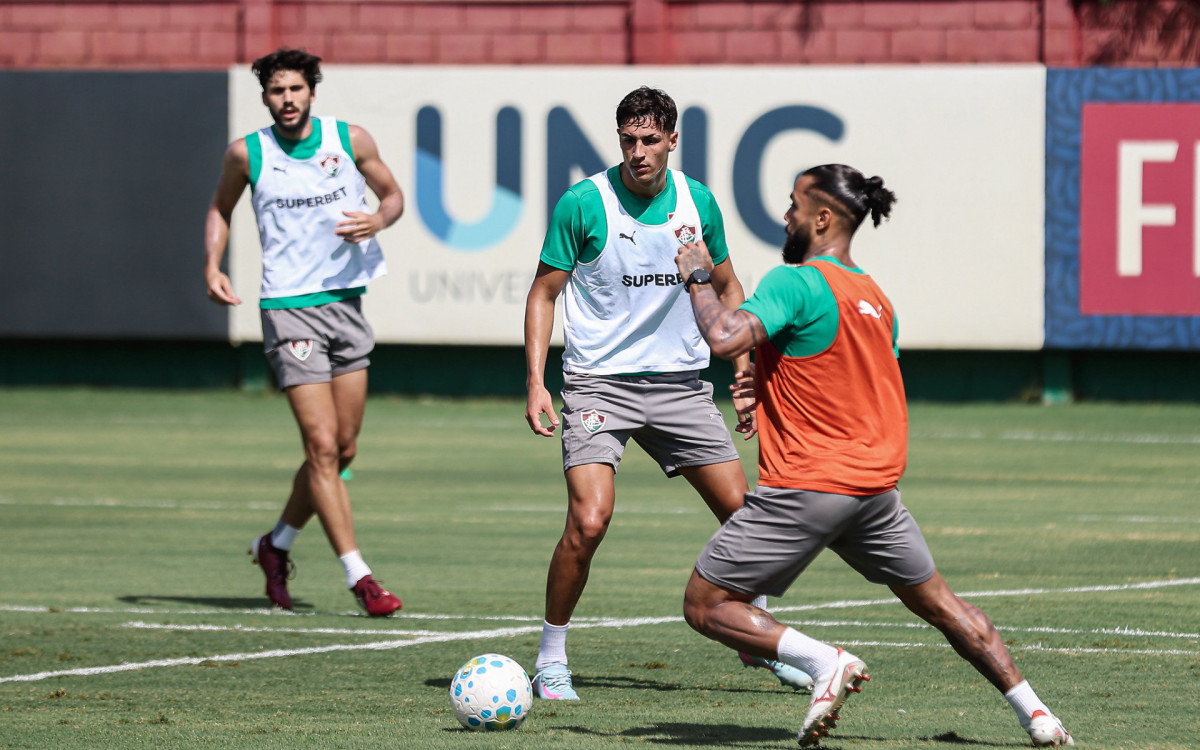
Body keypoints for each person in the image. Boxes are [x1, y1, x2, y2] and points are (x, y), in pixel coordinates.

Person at [673, 164, 1075, 747]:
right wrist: (768, 387)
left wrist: (696, 277)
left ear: (822, 217)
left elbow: (725, 337)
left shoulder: (796, 281)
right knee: (941, 604)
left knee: (706, 604)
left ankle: (821, 663)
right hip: (874, 493)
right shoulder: (874, 297)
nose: (785, 216)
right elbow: (843, 379)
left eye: (792, 205)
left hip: (810, 485)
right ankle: (1036, 713)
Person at [523, 86, 811, 701]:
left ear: (672, 140)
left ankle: (752, 638)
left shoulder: (697, 202)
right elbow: (543, 293)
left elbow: (731, 288)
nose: (638, 152)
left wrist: (745, 371)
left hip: (681, 386)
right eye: (628, 139)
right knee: (589, 520)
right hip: (600, 383)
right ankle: (551, 657)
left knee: (747, 517)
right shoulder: (584, 203)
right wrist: (536, 382)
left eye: (650, 139)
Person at [203, 48, 405, 617]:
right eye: (276, 91)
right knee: (319, 447)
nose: (286, 100)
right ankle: (360, 577)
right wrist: (212, 265)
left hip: (346, 305)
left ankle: (276, 544)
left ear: (311, 91)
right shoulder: (248, 154)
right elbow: (220, 209)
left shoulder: (351, 139)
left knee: (341, 450)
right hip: (288, 309)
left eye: (295, 89)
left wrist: (378, 218)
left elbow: (393, 196)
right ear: (264, 97)